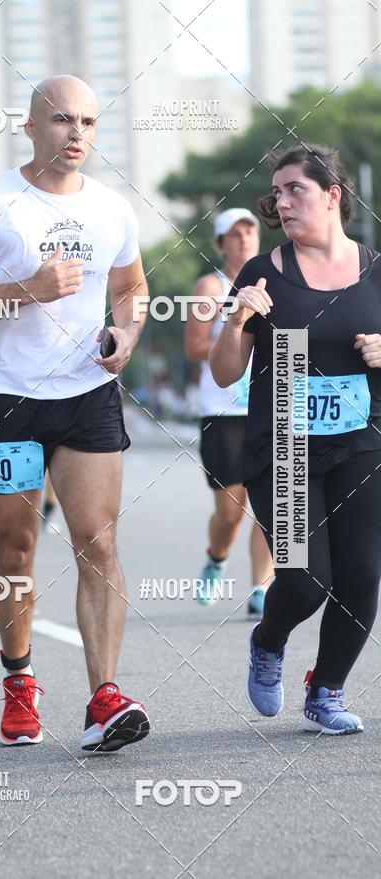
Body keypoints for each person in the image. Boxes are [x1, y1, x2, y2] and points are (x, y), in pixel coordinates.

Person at [0, 74, 150, 752]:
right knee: (16, 548)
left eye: (87, 121)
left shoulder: (113, 208)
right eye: (62, 120)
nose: (77, 133)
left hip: (87, 394)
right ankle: (19, 679)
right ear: (31, 127)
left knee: (100, 541)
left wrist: (127, 334)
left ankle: (103, 698)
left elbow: (132, 285)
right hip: (7, 399)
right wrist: (27, 289)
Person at [210, 144, 381, 735]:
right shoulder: (264, 273)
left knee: (361, 577)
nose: (281, 202)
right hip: (283, 448)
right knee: (307, 580)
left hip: (362, 444)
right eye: (275, 193)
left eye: (294, 190)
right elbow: (224, 372)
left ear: (333, 195)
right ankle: (268, 640)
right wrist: (236, 320)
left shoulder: (376, 267)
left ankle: (326, 691)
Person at [185, 209, 273, 616]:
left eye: (249, 232)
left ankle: (262, 587)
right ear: (221, 244)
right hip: (223, 411)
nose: (243, 240)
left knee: (272, 503)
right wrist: (237, 334)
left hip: (268, 407)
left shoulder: (275, 280)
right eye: (233, 235)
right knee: (231, 510)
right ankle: (217, 557)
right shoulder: (211, 286)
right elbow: (194, 347)